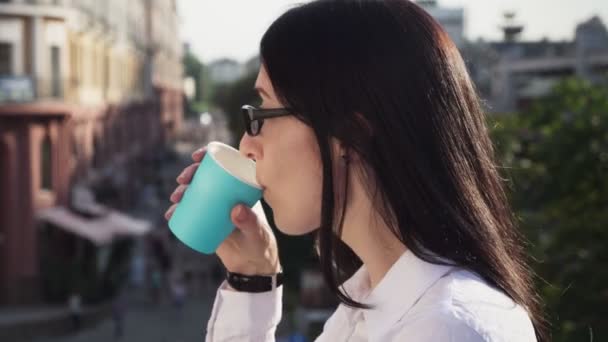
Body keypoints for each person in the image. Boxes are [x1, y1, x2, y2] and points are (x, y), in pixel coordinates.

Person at [165, 0, 548, 341]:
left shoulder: (445, 328)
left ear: (350, 134)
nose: (247, 145)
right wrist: (252, 276)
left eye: (262, 114)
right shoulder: (368, 304)